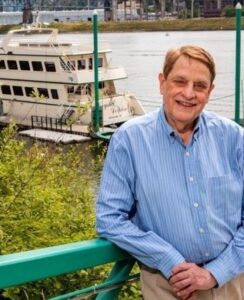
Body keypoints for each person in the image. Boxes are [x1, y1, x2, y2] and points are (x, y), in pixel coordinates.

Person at [96, 45, 244, 300]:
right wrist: (168, 259)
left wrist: (215, 272)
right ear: (162, 83)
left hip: (229, 283)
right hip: (166, 286)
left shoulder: (234, 138)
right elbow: (109, 218)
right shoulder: (129, 140)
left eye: (199, 86)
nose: (188, 93)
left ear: (210, 92)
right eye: (179, 81)